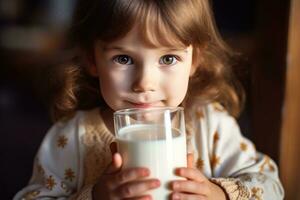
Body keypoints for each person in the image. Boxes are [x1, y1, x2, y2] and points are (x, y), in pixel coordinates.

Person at [14, 0, 284, 199]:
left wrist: (219, 194)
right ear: (91, 59)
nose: (144, 83)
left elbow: (271, 186)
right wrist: (94, 197)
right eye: (123, 59)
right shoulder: (71, 136)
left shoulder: (210, 126)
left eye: (168, 58)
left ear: (195, 60)